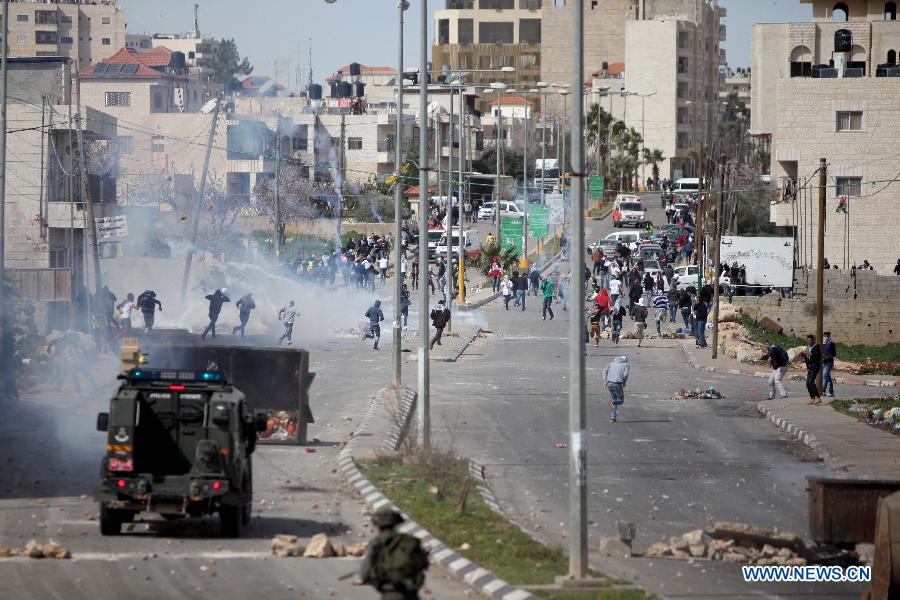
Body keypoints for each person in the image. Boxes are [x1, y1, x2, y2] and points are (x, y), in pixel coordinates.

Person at [359, 506, 429, 600]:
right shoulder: (411, 542)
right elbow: (424, 563)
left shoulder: (376, 544)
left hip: (390, 594)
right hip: (411, 595)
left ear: (378, 525)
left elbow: (364, 573)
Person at [603, 356, 630, 423]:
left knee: (614, 400)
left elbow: (604, 371)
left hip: (609, 383)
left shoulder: (611, 363)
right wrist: (623, 383)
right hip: (617, 384)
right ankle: (611, 403)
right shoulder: (626, 365)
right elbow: (625, 375)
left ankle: (613, 417)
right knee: (620, 400)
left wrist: (605, 382)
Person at [801, 334, 823, 405]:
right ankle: (812, 398)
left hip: (815, 366)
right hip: (810, 367)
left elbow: (816, 356)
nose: (809, 342)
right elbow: (807, 359)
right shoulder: (808, 347)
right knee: (807, 384)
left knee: (811, 381)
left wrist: (807, 353)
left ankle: (817, 397)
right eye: (808, 340)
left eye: (810, 340)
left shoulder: (816, 347)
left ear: (813, 340)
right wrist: (803, 355)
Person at [822, 331, 837, 397]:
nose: (825, 337)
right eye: (824, 336)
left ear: (828, 336)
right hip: (823, 362)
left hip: (829, 362)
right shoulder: (821, 343)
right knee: (828, 377)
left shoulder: (831, 343)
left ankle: (823, 391)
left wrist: (827, 357)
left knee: (825, 376)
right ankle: (831, 392)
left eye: (826, 336)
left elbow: (834, 354)